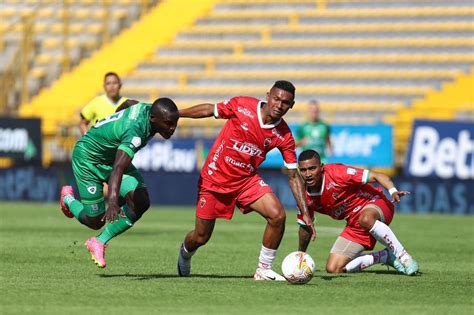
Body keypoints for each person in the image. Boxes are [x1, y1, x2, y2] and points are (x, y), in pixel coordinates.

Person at [176, 80, 315, 281]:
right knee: (201, 236)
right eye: (276, 98)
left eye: (285, 102)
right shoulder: (242, 105)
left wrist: (305, 212)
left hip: (245, 181)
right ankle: (185, 252)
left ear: (291, 106)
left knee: (278, 216)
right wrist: (177, 113)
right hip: (214, 179)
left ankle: (263, 269)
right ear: (268, 95)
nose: (279, 105)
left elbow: (294, 175)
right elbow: (209, 109)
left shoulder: (284, 135)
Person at [59, 98, 179, 268]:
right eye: (169, 123)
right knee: (96, 222)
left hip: (111, 157)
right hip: (88, 159)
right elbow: (118, 168)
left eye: (175, 122)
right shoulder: (135, 131)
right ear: (153, 119)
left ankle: (99, 242)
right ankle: (68, 200)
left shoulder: (147, 109)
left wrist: (115, 118)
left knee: (141, 201)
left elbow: (129, 103)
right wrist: (113, 201)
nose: (173, 128)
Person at [296, 149, 419, 275]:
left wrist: (392, 190)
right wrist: (300, 255)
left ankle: (404, 258)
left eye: (312, 168)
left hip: (377, 204)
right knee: (334, 268)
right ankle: (384, 256)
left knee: (365, 218)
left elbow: (376, 175)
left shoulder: (337, 173)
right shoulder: (303, 195)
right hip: (355, 224)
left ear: (321, 167)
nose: (308, 174)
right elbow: (305, 226)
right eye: (303, 170)